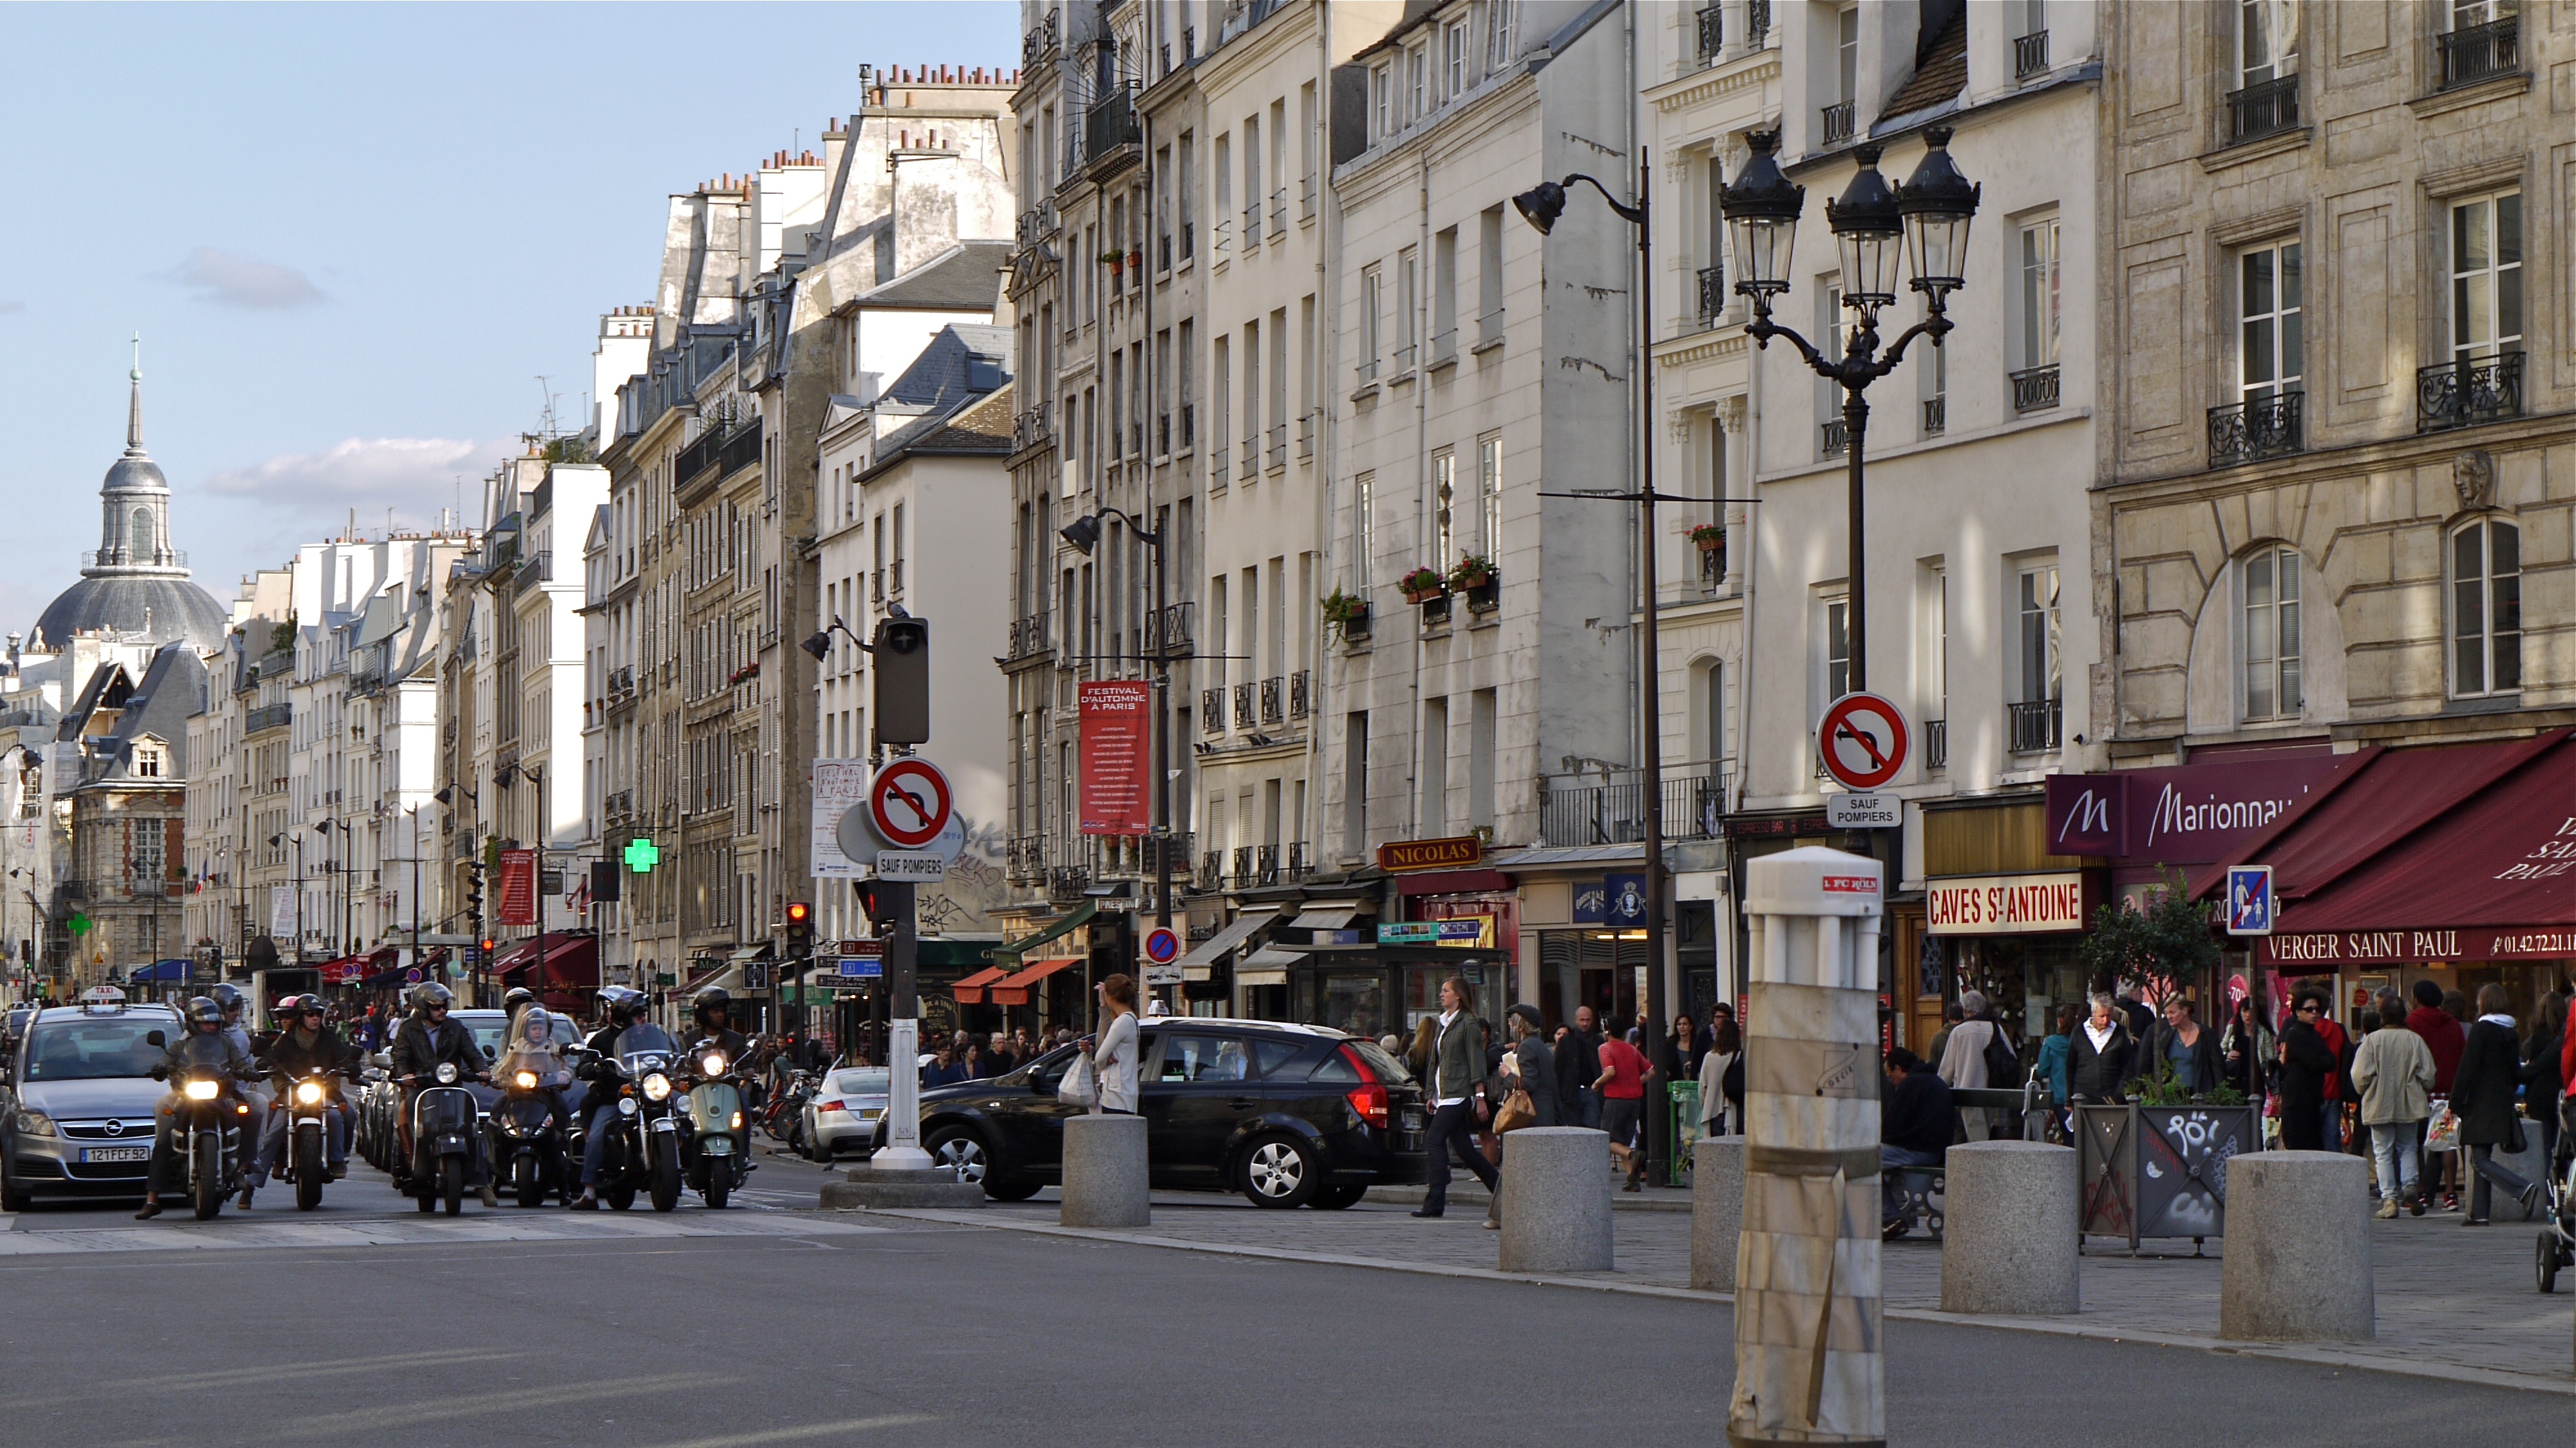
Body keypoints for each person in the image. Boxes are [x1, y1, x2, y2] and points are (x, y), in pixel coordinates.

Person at [134, 996, 259, 1219]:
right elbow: (167, 1061)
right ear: (193, 1023)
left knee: (251, 1113)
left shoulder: (227, 1043)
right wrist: (160, 1068)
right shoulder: (180, 1045)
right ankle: (153, 1199)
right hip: (186, 1094)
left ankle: (244, 1166)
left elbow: (239, 1062)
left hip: (221, 1094)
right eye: (205, 1022)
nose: (210, 1026)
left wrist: (246, 1070)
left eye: (214, 1022)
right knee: (164, 1131)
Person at [248, 995, 359, 1196]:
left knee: (344, 1115)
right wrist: (265, 1065)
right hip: (293, 1093)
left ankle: (338, 1160)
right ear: (301, 1016)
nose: (315, 1018)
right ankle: (252, 1184)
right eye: (310, 1014)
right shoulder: (286, 1040)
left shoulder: (329, 1038)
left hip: (324, 1091)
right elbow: (272, 1058)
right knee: (274, 1130)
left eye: (318, 1014)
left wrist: (351, 1065)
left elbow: (344, 1057)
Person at [1412, 977, 1497, 1219]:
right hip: (1444, 1094)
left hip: (1459, 1094)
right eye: (1442, 991)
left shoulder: (1468, 1024)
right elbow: (1435, 1063)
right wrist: (1432, 1094)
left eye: (1446, 991)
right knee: (1466, 1151)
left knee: (1434, 1140)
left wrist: (1479, 1097)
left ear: (1458, 995)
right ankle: (1501, 1189)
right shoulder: (1443, 1023)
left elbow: (1476, 1063)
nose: (1442, 994)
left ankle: (1434, 1203)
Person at [2454, 984, 2533, 1227]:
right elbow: (2515, 1071)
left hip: (2480, 1100)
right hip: (2501, 1099)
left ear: (2484, 1002)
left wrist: (2455, 1100)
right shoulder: (2511, 1031)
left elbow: (2468, 1067)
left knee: (2479, 1159)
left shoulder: (2481, 1030)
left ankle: (2522, 1189)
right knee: (2481, 1155)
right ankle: (2480, 1212)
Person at [569, 986, 650, 1210]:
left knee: (685, 1109)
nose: (642, 1020)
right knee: (596, 1135)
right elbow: (584, 1064)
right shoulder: (603, 1040)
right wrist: (592, 1067)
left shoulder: (653, 1036)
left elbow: (669, 1054)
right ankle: (589, 1191)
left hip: (650, 1095)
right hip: (617, 1099)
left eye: (644, 1015)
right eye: (637, 1016)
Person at [2352, 1001, 2436, 1218]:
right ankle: (2410, 1185)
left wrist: (2366, 1090)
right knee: (2408, 1147)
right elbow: (2428, 1075)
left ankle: (2389, 1199)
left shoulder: (2372, 1040)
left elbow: (2359, 1075)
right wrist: (2420, 1087)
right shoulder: (2415, 1040)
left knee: (2383, 1152)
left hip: (2379, 1100)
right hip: (2409, 1101)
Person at [1486, 1004, 1559, 1231]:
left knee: (1515, 1166)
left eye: (1512, 1022)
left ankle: (1501, 1215)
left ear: (1521, 1025)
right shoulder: (1541, 1047)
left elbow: (1528, 1084)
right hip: (1546, 1113)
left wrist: (1507, 1076)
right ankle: (1502, 1214)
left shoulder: (1527, 1047)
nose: (1510, 1026)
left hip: (1531, 1116)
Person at [1880, 1049, 1953, 1239]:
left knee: (1864, 1159)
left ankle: (1892, 1217)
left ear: (1899, 1069)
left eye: (1891, 1076)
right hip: (1934, 1149)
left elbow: (1892, 1125)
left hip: (1918, 1150)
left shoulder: (1911, 1084)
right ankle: (1901, 1212)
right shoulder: (1932, 1080)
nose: (1892, 1082)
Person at [1596, 1019, 1656, 1192]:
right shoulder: (1632, 1049)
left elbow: (1610, 1072)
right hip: (1634, 1100)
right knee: (1623, 1141)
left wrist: (1597, 1084)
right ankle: (1632, 1180)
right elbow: (1651, 1071)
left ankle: (1633, 1154)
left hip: (1615, 1099)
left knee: (1608, 1139)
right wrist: (1638, 1081)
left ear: (1607, 1032)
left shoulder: (1605, 1048)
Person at [1937, 991, 2006, 1141]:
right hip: (1993, 1091)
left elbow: (1947, 1070)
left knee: (1976, 1139)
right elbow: (2010, 1058)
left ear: (1965, 1011)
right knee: (1986, 1133)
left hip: (1968, 1092)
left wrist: (1938, 1092)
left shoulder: (1959, 1032)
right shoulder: (1997, 1029)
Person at [2275, 991, 2338, 1152]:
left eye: (2317, 1009)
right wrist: (2320, 1061)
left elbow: (2331, 1062)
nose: (2315, 1013)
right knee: (2299, 1149)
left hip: (2313, 1100)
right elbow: (2315, 1062)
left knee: (2316, 1148)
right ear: (2298, 1012)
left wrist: (2321, 1061)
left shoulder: (2314, 1034)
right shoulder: (2294, 1033)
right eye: (2309, 1009)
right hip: (2297, 1101)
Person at [2519, 993, 2566, 1168]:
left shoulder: (2538, 1035)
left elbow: (2532, 1062)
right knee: (2560, 1144)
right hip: (2561, 1092)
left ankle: (2547, 1186)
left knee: (2543, 1146)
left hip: (2540, 1095)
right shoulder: (2566, 1035)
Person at [2066, 992, 2134, 1105]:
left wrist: (2119, 1095)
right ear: (2093, 1013)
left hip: (2111, 1097)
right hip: (2083, 1096)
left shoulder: (2120, 1033)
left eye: (2109, 1016)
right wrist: (2069, 1099)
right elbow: (2070, 1065)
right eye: (2102, 1016)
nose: (2106, 1020)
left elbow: (2128, 1067)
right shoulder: (2079, 1032)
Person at [2150, 995, 2222, 1094]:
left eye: (2172, 1012)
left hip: (2200, 1096)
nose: (2169, 1017)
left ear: (2185, 1011)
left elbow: (2218, 1068)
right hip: (2173, 1097)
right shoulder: (2166, 1037)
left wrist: (2219, 1095)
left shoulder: (2207, 1035)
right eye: (2166, 1013)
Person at [1554, 1006, 1604, 1130]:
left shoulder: (1598, 1041)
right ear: (1576, 1020)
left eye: (1588, 1020)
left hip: (1592, 1089)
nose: (1585, 1023)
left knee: (1593, 1127)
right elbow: (1558, 1068)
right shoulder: (1566, 1041)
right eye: (1582, 1020)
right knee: (1573, 1128)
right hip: (1571, 1092)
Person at [2033, 1005, 2078, 1138]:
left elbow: (2042, 1071)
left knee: (2067, 1136)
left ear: (2059, 1021)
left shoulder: (2051, 1043)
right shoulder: (2079, 1042)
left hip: (2059, 1097)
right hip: (2079, 1095)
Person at [1699, 1009, 1743, 1139]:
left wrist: (1706, 1105)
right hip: (1733, 1110)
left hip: (1712, 1111)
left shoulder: (1709, 1057)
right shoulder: (1739, 1056)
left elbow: (1702, 1088)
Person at [2220, 996, 2273, 1103]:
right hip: (2236, 1076)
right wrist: (2228, 1055)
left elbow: (2270, 1057)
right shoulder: (2233, 1028)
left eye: (2251, 1011)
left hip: (2256, 1077)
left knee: (2256, 1107)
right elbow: (2222, 1048)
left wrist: (2270, 1077)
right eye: (2245, 1011)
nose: (2248, 1015)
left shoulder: (2263, 1032)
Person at [1926, 1002, 1965, 1076]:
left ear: (1948, 1017)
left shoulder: (1938, 1037)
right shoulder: (1967, 1035)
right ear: (1964, 1015)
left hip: (1943, 1082)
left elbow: (1931, 1063)